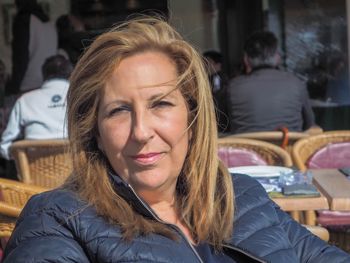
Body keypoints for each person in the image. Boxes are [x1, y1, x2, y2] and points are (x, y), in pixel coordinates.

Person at [3, 17, 349, 263]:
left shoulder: (240, 195)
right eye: (119, 110)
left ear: (192, 117)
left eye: (161, 103)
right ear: (94, 129)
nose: (141, 131)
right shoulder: (57, 220)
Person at [228, 31, 316, 134]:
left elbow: (221, 125)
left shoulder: (233, 87)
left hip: (247, 149)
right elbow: (309, 124)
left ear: (246, 59)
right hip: (287, 148)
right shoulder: (296, 83)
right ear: (277, 58)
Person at [0, 55, 72, 160]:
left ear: (44, 75)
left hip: (33, 173)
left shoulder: (25, 100)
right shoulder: (80, 97)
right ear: (71, 75)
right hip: (76, 172)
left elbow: (4, 145)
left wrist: (21, 162)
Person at [9, 0, 57, 94]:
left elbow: (20, 57)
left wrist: (13, 87)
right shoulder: (49, 23)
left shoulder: (24, 20)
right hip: (47, 84)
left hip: (28, 86)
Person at [203, 50, 230, 133]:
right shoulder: (220, 77)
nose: (204, 66)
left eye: (207, 62)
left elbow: (216, 101)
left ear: (218, 64)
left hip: (219, 125)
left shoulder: (216, 78)